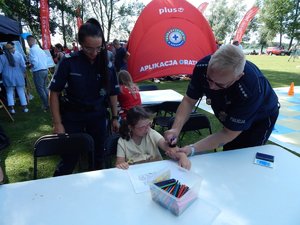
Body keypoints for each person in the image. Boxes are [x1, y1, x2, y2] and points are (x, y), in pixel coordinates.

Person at [165, 44, 279, 157]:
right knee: (229, 152)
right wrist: (176, 128)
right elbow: (189, 101)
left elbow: (228, 133)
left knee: (246, 155)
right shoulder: (202, 67)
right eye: (209, 78)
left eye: (220, 84)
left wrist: (192, 148)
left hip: (261, 117)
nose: (211, 87)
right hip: (231, 107)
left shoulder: (250, 88)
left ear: (238, 77)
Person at [49, 18, 120, 176]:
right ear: (80, 44)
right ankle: (56, 190)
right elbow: (54, 93)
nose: (94, 53)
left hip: (98, 116)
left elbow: (113, 93)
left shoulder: (107, 63)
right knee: (70, 157)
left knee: (98, 156)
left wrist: (115, 117)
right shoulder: (69, 62)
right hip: (73, 116)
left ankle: (96, 190)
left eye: (98, 48)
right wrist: (57, 123)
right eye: (89, 49)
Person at [116, 106, 191, 170]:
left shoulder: (151, 133)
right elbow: (119, 163)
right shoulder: (122, 142)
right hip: (137, 174)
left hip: (157, 170)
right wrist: (122, 165)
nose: (147, 128)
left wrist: (182, 155)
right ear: (131, 127)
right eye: (142, 127)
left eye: (149, 124)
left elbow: (167, 147)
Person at [0, 43, 29, 114]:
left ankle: (12, 109)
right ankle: (24, 108)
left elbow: (0, 69)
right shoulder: (19, 55)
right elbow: (23, 66)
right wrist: (24, 73)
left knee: (9, 92)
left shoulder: (2, 57)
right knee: (21, 91)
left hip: (7, 76)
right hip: (18, 75)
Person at [26, 35, 49, 111]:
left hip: (38, 71)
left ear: (30, 41)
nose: (28, 43)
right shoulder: (40, 49)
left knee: (40, 89)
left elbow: (35, 62)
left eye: (27, 41)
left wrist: (30, 66)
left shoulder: (32, 50)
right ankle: (49, 103)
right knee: (44, 88)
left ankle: (46, 105)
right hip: (45, 70)